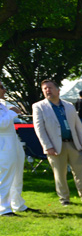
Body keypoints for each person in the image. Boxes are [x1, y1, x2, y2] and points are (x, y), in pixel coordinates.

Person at [33, 79, 82, 206]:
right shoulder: (39, 106)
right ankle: (64, 199)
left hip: (74, 144)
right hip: (55, 146)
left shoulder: (69, 105)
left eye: (50, 87)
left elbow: (78, 125)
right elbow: (39, 129)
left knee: (80, 172)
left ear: (58, 90)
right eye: (44, 89)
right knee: (60, 174)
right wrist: (47, 146)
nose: (47, 90)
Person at [0, 79, 32, 217]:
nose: (4, 90)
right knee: (6, 175)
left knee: (17, 174)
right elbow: (1, 124)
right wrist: (12, 112)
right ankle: (3, 208)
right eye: (1, 87)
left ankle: (17, 204)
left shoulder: (2, 104)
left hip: (13, 141)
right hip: (3, 143)